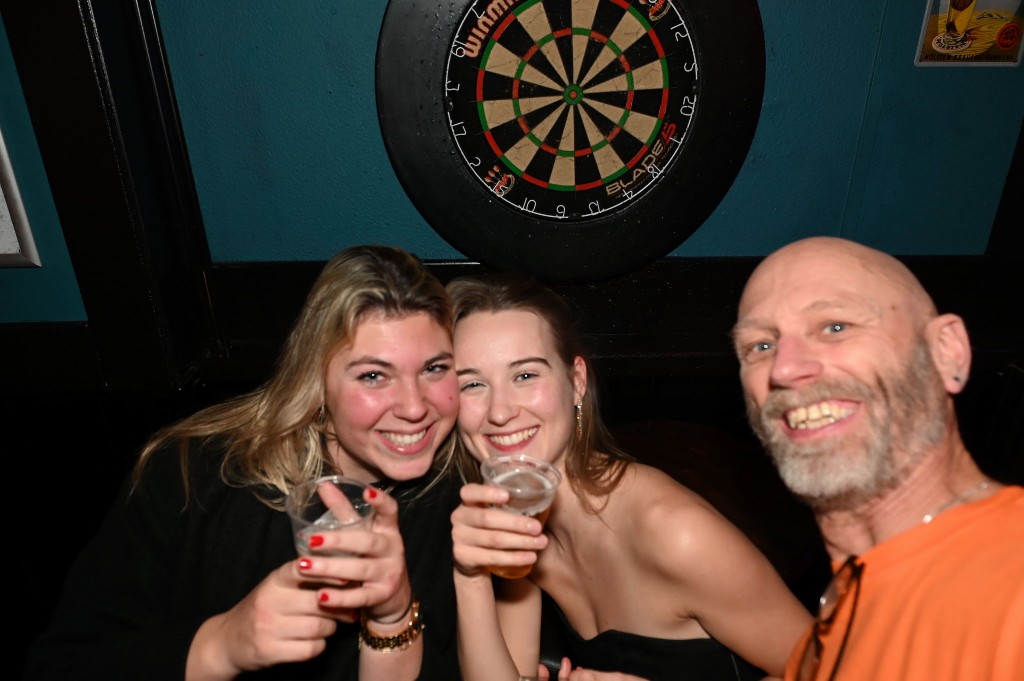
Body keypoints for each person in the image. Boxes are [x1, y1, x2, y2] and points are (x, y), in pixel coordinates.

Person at [24, 245, 463, 681]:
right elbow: (60, 667)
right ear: (316, 380)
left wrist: (395, 618)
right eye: (373, 375)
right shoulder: (193, 474)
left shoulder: (460, 499)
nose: (413, 407)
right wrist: (220, 646)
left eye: (434, 368)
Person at [447, 273, 813, 681]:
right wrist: (471, 578)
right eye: (473, 384)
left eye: (526, 375)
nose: (499, 412)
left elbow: (843, 670)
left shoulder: (674, 532)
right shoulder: (521, 516)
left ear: (576, 381)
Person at [731, 236, 1024, 681]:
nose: (785, 369)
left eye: (835, 327)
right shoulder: (846, 604)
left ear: (948, 352)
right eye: (761, 347)